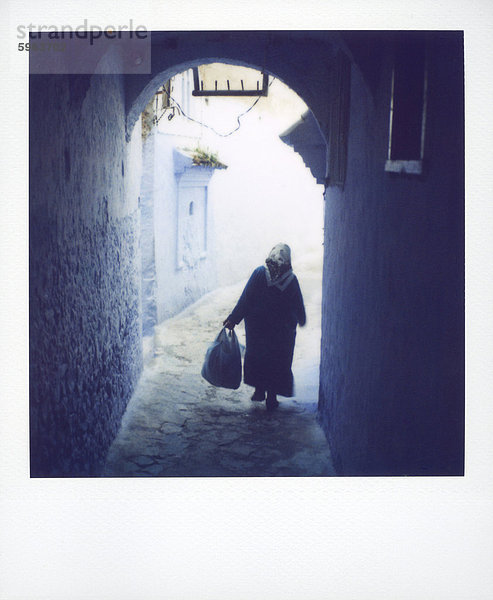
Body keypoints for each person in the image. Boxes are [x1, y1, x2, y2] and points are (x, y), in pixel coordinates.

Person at [223, 243, 306, 411]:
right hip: (281, 332)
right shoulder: (291, 279)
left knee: (258, 358)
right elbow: (298, 304)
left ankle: (259, 390)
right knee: (277, 361)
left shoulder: (260, 273)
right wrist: (301, 318)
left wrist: (234, 318)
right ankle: (272, 397)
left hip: (258, 328)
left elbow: (246, 298)